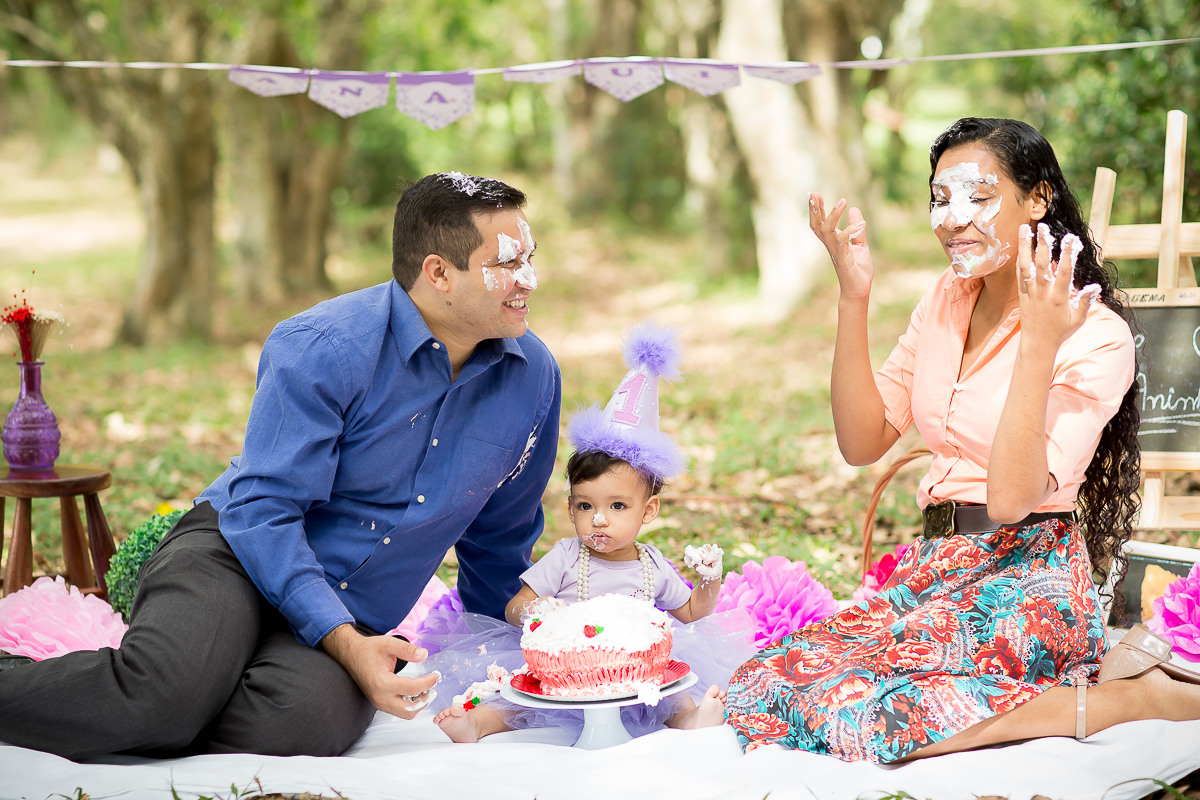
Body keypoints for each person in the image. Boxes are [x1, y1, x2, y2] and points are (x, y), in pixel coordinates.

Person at [0, 172, 562, 760]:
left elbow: (499, 549)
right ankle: (155, 694)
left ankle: (178, 696)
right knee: (161, 696)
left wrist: (550, 637)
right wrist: (343, 643)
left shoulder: (533, 377)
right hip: (237, 553)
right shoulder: (324, 345)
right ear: (437, 272)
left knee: (301, 727)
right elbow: (264, 511)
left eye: (530, 257)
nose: (529, 280)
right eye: (506, 263)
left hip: (351, 606)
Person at [724, 117, 1200, 762]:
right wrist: (854, 295)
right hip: (936, 571)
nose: (953, 219)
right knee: (768, 682)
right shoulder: (947, 299)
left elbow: (1010, 502)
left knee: (866, 715)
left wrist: (1037, 343)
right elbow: (863, 441)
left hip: (1028, 577)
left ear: (1038, 198)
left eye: (978, 196)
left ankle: (1126, 700)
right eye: (940, 199)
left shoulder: (1095, 333)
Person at [425, 322, 754, 742]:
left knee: (670, 694)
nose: (599, 519)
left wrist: (709, 579)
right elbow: (516, 606)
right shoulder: (566, 557)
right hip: (565, 671)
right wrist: (534, 611)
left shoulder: (651, 565)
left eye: (617, 506)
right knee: (517, 698)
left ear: (648, 510)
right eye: (585, 506)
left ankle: (691, 720)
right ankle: (477, 724)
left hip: (633, 675)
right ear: (570, 508)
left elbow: (692, 612)